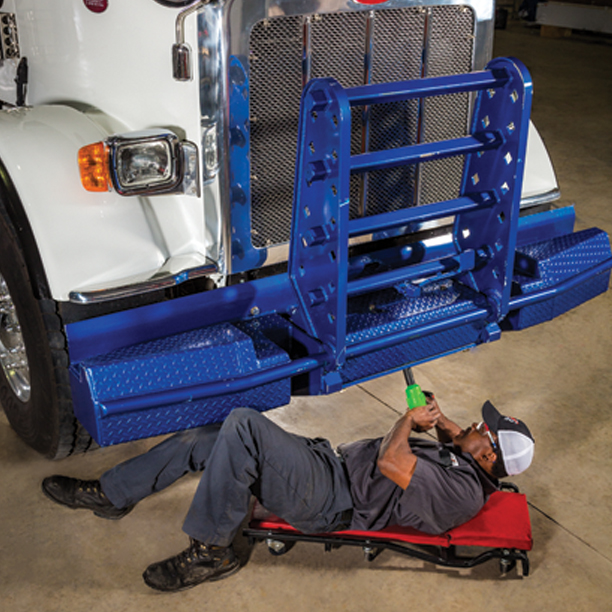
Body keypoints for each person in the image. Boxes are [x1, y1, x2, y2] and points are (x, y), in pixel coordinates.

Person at [41, 394, 534, 592]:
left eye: (482, 430)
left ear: (488, 458)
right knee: (211, 437)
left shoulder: (461, 494)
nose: (474, 423)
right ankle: (112, 493)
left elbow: (390, 461)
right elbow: (454, 441)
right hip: (328, 464)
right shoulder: (467, 462)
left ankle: (211, 551)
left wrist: (405, 421)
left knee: (244, 426)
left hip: (330, 498)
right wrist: (437, 416)